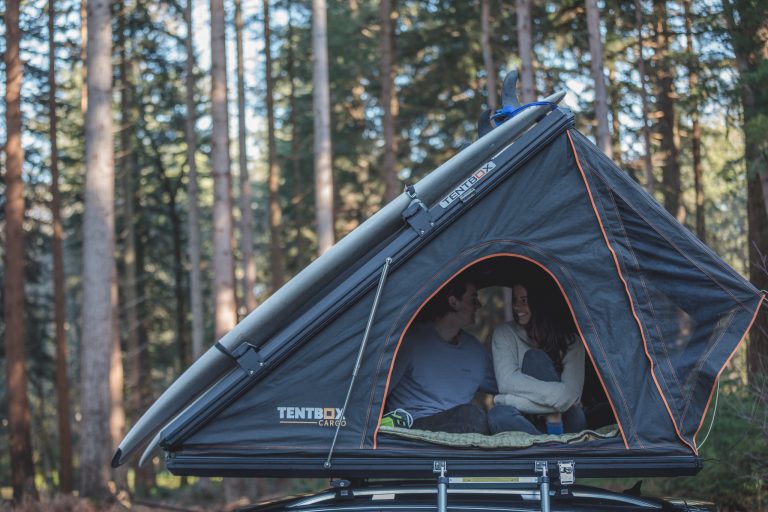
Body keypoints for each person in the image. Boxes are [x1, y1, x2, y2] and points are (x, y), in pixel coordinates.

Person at [385, 275, 497, 434]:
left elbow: (505, 386)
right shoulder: (412, 341)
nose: (479, 305)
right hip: (414, 430)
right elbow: (377, 392)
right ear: (453, 302)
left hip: (463, 434)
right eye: (473, 299)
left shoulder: (475, 350)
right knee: (472, 415)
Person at [488, 282, 587, 435]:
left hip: (567, 421)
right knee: (498, 416)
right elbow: (507, 382)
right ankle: (551, 442)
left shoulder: (571, 341)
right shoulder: (504, 334)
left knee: (535, 359)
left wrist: (506, 399)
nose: (516, 307)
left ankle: (550, 432)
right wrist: (556, 406)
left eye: (524, 301)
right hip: (525, 421)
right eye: (515, 300)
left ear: (539, 303)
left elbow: (571, 395)